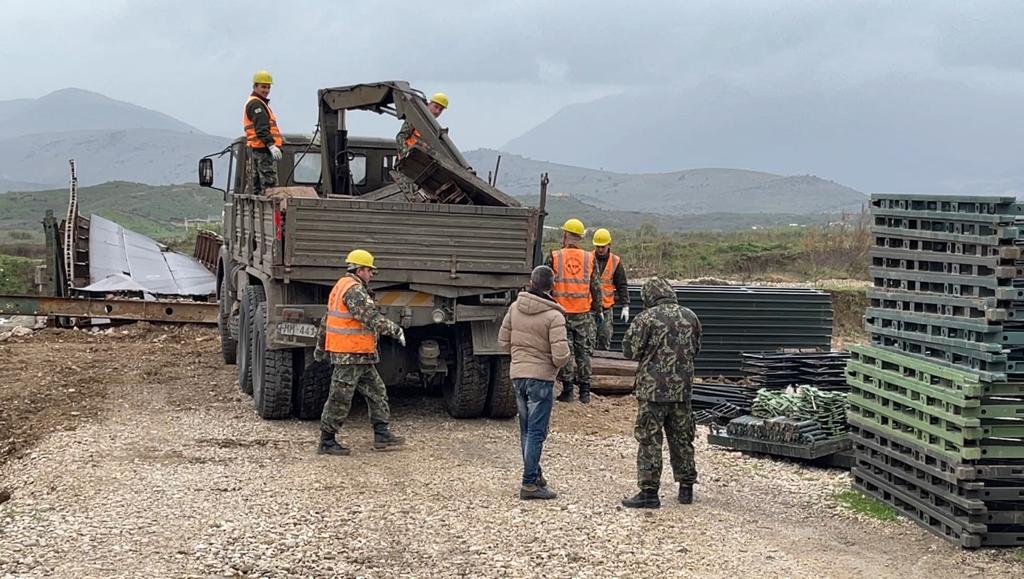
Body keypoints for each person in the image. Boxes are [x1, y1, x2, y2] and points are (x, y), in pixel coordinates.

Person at [314, 249, 407, 455]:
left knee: (377, 392)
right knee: (340, 397)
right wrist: (395, 330)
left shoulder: (341, 286)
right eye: (370, 270)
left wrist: (320, 348)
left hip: (360, 355)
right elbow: (371, 318)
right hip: (349, 354)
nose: (372, 274)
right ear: (360, 269)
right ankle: (327, 441)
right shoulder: (354, 290)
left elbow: (326, 320)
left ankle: (382, 434)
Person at [620, 277, 702, 509]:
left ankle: (649, 492)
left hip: (652, 391)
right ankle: (686, 488)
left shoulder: (646, 318)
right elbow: (696, 348)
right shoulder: (691, 317)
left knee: (649, 440)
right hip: (682, 391)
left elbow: (629, 351)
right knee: (682, 439)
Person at [498, 265, 571, 500]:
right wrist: (556, 365)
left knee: (526, 430)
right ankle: (529, 484)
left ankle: (535, 473)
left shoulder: (514, 309)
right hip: (541, 379)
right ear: (552, 286)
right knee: (536, 432)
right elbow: (560, 355)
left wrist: (520, 358)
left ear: (531, 281)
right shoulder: (554, 316)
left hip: (518, 376)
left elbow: (502, 342)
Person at [544, 218, 602, 404]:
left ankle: (568, 391)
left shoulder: (554, 256)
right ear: (580, 237)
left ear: (565, 235)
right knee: (583, 353)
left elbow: (545, 284)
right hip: (583, 313)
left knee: (565, 351)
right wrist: (598, 309)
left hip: (560, 312)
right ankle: (585, 393)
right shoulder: (590, 258)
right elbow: (596, 287)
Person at [243, 70, 284, 195]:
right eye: (263, 87)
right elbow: (261, 129)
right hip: (263, 151)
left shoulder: (255, 103)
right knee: (269, 186)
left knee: (257, 186)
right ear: (255, 86)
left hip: (258, 150)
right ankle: (271, 212)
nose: (266, 90)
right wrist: (271, 145)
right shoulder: (257, 105)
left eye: (268, 87)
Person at [591, 228, 629, 350]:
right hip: (589, 308)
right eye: (598, 246)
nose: (600, 249)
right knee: (588, 341)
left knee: (605, 339)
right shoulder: (587, 258)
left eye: (603, 246)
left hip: (606, 308)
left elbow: (621, 284)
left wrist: (625, 305)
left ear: (609, 245)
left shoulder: (615, 261)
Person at [396, 92, 448, 159]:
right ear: (429, 104)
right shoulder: (416, 119)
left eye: (440, 110)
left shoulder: (434, 128)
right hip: (408, 161)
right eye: (436, 107)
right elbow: (400, 137)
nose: (437, 111)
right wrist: (404, 153)